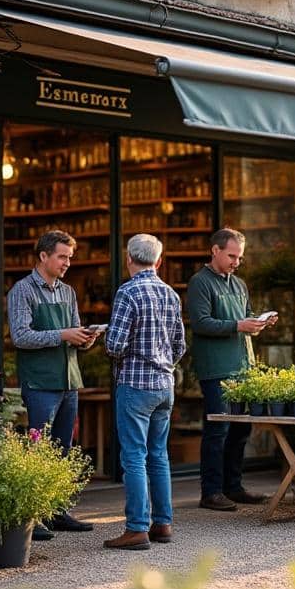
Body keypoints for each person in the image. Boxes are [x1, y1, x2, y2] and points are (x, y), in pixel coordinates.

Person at [6, 230, 98, 536]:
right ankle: (34, 517)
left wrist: (85, 338)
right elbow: (21, 336)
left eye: (70, 257)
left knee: (63, 448)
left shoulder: (68, 292)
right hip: (40, 382)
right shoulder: (22, 290)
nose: (67, 263)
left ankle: (58, 510)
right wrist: (63, 334)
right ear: (43, 256)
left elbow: (73, 332)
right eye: (62, 257)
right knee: (39, 448)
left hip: (68, 379)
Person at [103, 234, 187, 550]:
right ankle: (162, 524)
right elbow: (180, 344)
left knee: (134, 457)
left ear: (129, 258)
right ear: (159, 261)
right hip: (165, 385)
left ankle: (137, 528)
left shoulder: (127, 293)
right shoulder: (171, 294)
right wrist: (162, 363)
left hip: (135, 385)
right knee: (159, 456)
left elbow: (115, 345)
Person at [187, 228, 276, 512]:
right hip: (216, 368)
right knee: (218, 430)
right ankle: (211, 491)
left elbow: (244, 319)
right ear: (215, 250)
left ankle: (233, 487)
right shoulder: (200, 282)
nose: (236, 262)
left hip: (243, 366)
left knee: (241, 429)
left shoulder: (239, 284)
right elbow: (200, 323)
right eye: (231, 256)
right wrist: (239, 325)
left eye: (239, 257)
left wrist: (258, 324)